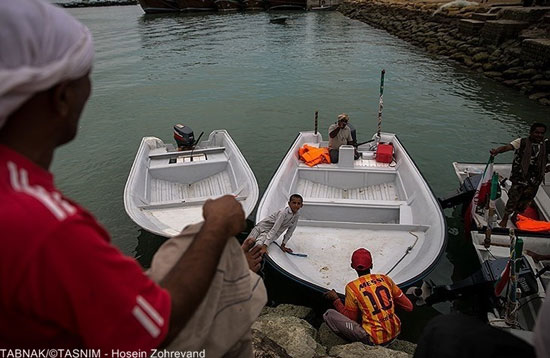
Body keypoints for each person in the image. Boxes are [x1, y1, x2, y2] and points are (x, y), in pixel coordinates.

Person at [0, 0, 265, 353]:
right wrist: (216, 227)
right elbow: (156, 326)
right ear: (62, 98)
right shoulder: (48, 228)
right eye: (86, 79)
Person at [323, 248, 413, 346]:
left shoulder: (352, 287)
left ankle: (359, 344)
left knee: (329, 314)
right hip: (396, 332)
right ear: (372, 265)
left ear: (352, 266)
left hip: (375, 340)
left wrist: (336, 299)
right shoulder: (385, 279)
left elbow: (350, 318)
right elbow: (409, 307)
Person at [490, 123, 550, 227]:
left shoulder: (546, 145)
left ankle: (515, 215)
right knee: (513, 198)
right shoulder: (522, 142)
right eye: (537, 132)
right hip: (520, 177)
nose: (539, 135)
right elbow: (508, 147)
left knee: (526, 200)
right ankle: (505, 219)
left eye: (541, 133)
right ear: (531, 132)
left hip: (535, 179)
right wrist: (497, 151)